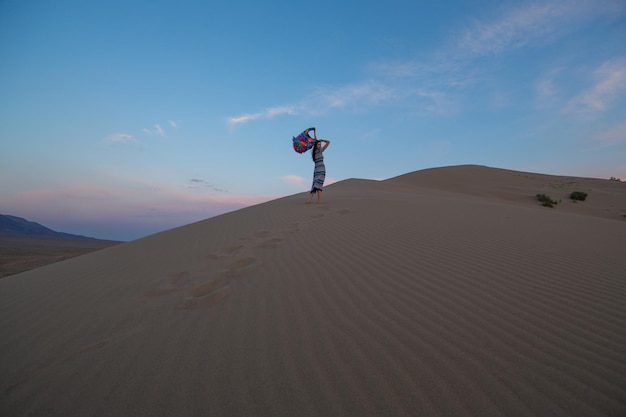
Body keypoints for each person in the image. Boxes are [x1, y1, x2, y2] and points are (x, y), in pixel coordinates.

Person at [306, 132, 330, 204]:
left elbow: (328, 142)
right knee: (314, 186)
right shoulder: (314, 152)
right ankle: (309, 202)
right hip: (316, 170)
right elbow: (315, 141)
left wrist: (322, 140)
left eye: (320, 144)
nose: (319, 145)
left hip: (322, 169)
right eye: (318, 144)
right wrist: (317, 140)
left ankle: (319, 202)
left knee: (318, 185)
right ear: (315, 145)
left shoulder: (320, 150)